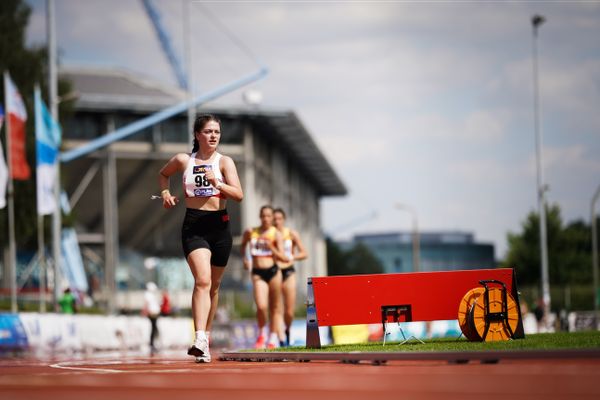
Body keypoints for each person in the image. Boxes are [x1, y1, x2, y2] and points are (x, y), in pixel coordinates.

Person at [158, 114, 243, 363]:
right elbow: (163, 174)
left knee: (214, 287)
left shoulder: (225, 162)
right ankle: (199, 339)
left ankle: (206, 335)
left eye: (217, 131)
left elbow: (238, 194)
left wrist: (218, 183)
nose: (213, 135)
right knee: (203, 281)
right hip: (194, 226)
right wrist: (165, 193)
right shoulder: (184, 160)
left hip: (220, 226)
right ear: (197, 135)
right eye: (208, 131)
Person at [241, 205, 289, 349]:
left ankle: (273, 337)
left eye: (269, 216)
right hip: (257, 272)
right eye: (264, 216)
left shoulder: (276, 234)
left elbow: (284, 258)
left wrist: (271, 247)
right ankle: (262, 333)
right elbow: (243, 245)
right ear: (260, 216)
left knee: (275, 308)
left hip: (273, 272)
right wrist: (245, 258)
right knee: (261, 306)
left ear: (272, 218)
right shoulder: (251, 232)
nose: (266, 219)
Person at [272, 208, 308, 346]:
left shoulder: (291, 234)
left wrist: (292, 257)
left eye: (279, 218)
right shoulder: (270, 234)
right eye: (274, 219)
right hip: (274, 270)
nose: (276, 221)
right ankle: (281, 338)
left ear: (284, 219)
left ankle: (287, 330)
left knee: (289, 310)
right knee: (277, 307)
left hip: (288, 270)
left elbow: (304, 253)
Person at [143, 281, 161, 353]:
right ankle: (152, 343)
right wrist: (145, 311)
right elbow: (146, 304)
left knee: (154, 328)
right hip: (152, 313)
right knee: (154, 328)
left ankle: (153, 343)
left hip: (154, 313)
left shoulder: (152, 295)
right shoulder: (148, 294)